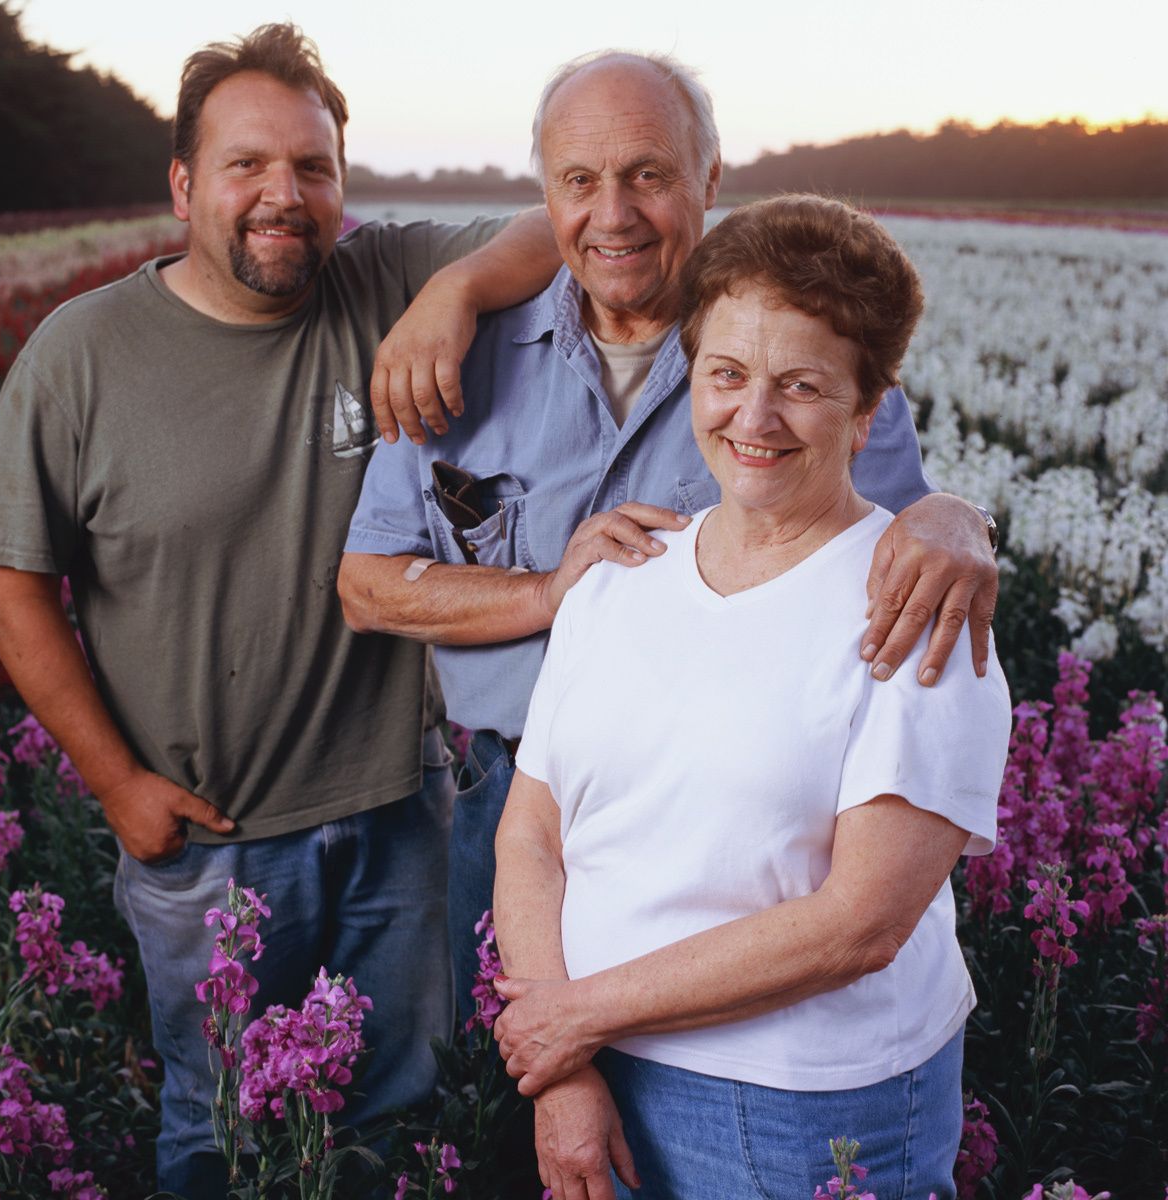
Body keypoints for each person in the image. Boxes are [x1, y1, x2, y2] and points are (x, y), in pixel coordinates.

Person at [0, 23, 561, 1199]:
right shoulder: (81, 356)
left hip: (401, 814)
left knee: (391, 1122)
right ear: (184, 183)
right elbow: (11, 580)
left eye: (313, 168)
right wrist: (116, 787)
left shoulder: (380, 278)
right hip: (209, 837)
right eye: (246, 166)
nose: (282, 197)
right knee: (216, 1132)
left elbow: (562, 227)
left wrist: (451, 293)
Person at [338, 50, 1000, 1025]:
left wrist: (959, 516)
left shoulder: (796, 358)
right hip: (502, 805)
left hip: (734, 816)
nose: (614, 215)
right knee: (516, 1091)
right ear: (548, 192)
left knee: (708, 1084)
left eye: (648, 175)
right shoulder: (451, 355)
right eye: (580, 182)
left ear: (711, 179)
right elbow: (366, 584)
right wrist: (545, 593)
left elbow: (902, 538)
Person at [489, 194, 1013, 1200]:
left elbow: (858, 923)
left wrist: (576, 1017)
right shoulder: (618, 575)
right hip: (594, 1074)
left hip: (799, 1113)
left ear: (869, 411)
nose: (753, 417)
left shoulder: (918, 606)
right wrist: (563, 1064)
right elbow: (533, 837)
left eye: (803, 386)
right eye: (725, 375)